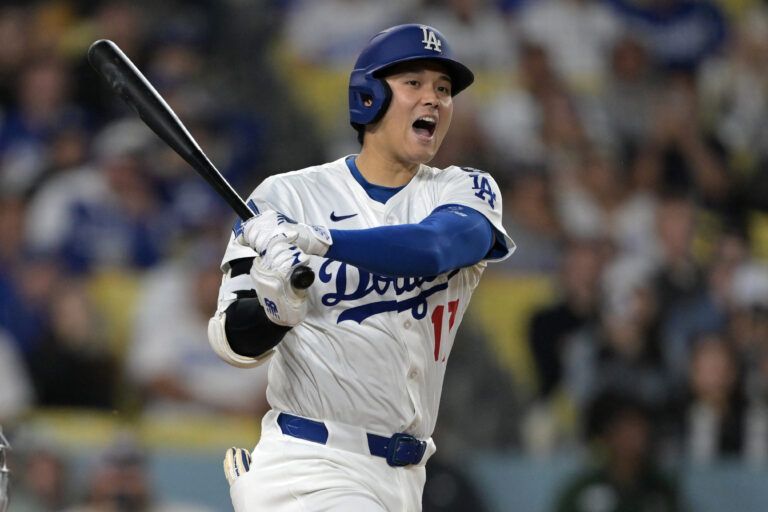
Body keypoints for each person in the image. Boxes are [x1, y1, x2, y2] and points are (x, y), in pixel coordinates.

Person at [207, 24, 514, 511]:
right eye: (414, 83)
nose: (433, 99)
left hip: (405, 476)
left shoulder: (463, 189)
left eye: (443, 89)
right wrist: (275, 310)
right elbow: (233, 342)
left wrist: (320, 241)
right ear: (368, 97)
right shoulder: (286, 197)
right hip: (312, 460)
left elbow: (435, 248)